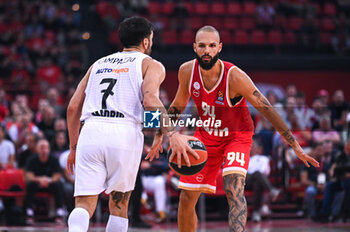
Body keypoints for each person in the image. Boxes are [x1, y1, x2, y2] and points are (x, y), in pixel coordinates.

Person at [147, 26, 319, 232]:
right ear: (194, 47)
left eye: (212, 45)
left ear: (219, 47)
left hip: (237, 136)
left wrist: (294, 144)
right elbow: (177, 106)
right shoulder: (186, 71)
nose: (207, 50)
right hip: (206, 134)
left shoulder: (235, 76)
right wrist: (160, 134)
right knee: (186, 197)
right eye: (202, 46)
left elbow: (267, 109)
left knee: (233, 187)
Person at [66, 16, 196, 232]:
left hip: (91, 130)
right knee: (119, 205)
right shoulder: (151, 65)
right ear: (146, 41)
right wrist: (170, 133)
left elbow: (73, 107)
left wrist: (73, 147)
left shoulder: (98, 64)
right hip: (124, 132)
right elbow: (150, 101)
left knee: (83, 205)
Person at [23, 139, 65, 224]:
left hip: (49, 184)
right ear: (37, 149)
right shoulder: (31, 159)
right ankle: (29, 212)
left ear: (49, 149)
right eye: (42, 148)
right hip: (37, 183)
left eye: (46, 148)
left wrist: (48, 180)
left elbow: (57, 175)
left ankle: (59, 212)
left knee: (58, 185)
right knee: (29, 185)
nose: (44, 150)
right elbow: (28, 175)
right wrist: (39, 179)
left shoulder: (54, 159)